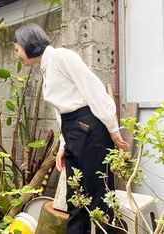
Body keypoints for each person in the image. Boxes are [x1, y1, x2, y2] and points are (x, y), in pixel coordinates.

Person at [13, 23, 129, 234]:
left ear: (27, 43)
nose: (17, 55)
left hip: (90, 128)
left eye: (17, 49)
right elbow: (62, 110)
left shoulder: (60, 56)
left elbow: (93, 89)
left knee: (100, 198)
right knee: (75, 199)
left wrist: (113, 129)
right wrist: (63, 145)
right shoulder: (46, 66)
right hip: (73, 130)